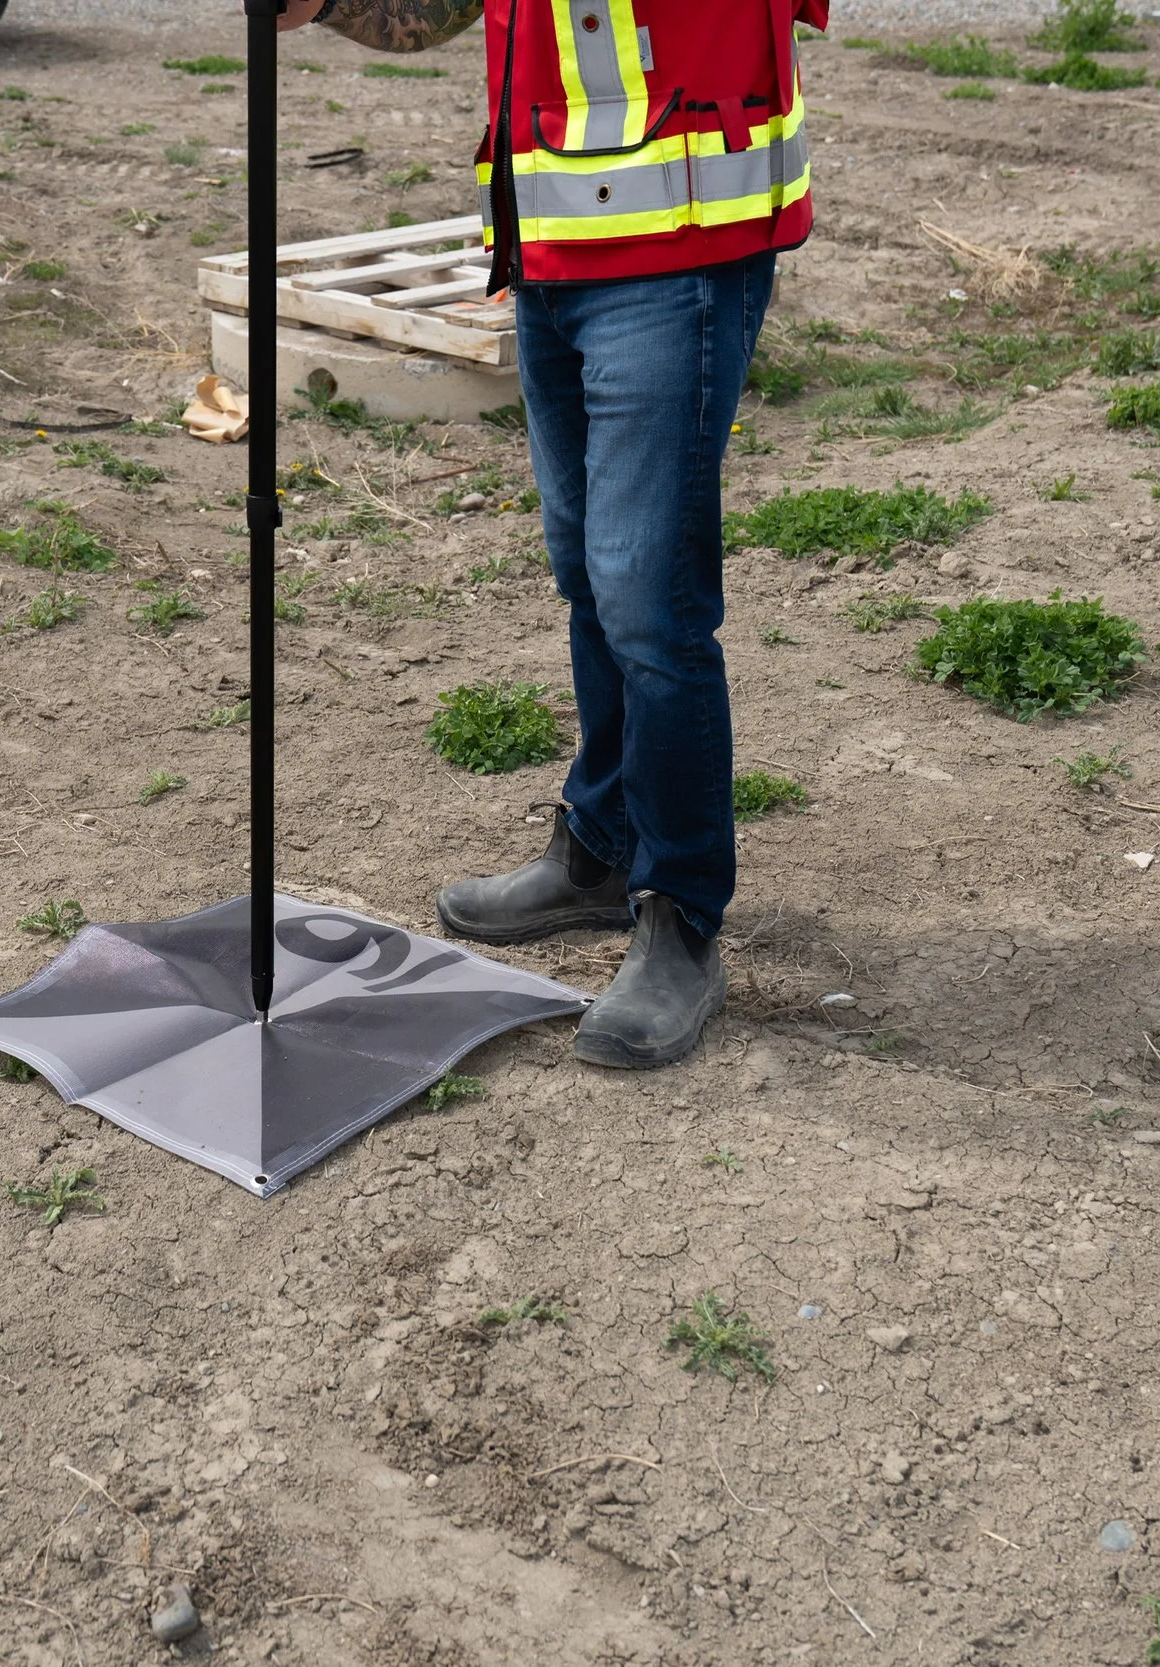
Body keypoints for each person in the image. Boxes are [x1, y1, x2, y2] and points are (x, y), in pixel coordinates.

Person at [279, 0, 822, 1067]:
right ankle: (602, 846)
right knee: (588, 569)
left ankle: (679, 913)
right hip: (556, 253)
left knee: (646, 596)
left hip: (677, 252)